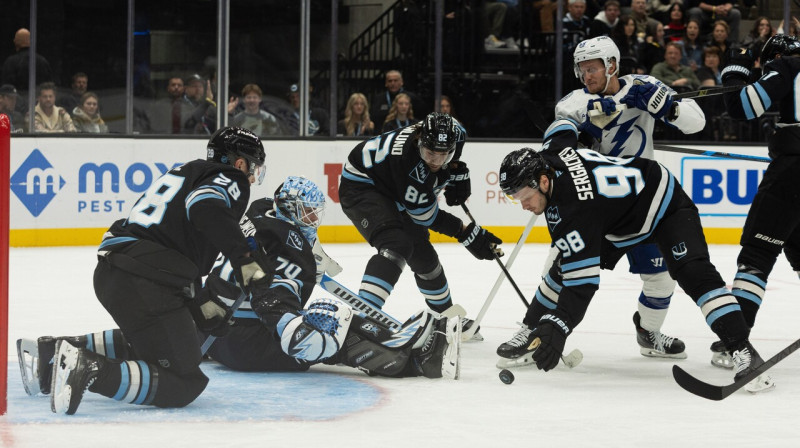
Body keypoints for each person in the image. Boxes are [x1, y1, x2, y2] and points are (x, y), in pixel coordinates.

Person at [494, 130, 766, 390]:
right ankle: (531, 330)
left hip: (664, 204)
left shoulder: (574, 211)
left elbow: (583, 284)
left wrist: (559, 324)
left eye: (525, 198)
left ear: (543, 182)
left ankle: (742, 348)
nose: (525, 206)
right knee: (562, 269)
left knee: (694, 272)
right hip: (618, 218)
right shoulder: (548, 156)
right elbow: (562, 128)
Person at [498, 36, 706, 363]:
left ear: (612, 65)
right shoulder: (574, 102)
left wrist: (668, 105)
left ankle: (648, 333)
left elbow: (697, 122)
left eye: (592, 68)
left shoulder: (645, 86)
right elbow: (555, 147)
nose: (586, 76)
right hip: (589, 205)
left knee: (661, 275)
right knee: (561, 269)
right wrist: (585, 130)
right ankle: (533, 330)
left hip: (639, 203)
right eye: (581, 70)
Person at [46, 127, 268, 415]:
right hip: (144, 280)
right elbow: (204, 206)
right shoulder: (231, 177)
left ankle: (47, 358)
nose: (251, 177)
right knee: (184, 381)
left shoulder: (187, 171)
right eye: (253, 169)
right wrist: (243, 257)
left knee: (162, 344)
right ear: (240, 163)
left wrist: (196, 300)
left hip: (117, 270)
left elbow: (171, 239)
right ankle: (90, 369)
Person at [202, 175, 460, 378]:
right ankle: (417, 361)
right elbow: (272, 298)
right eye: (308, 212)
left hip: (214, 336)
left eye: (316, 212)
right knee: (338, 328)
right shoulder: (287, 247)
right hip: (246, 346)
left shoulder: (261, 211)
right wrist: (296, 328)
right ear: (291, 210)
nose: (313, 220)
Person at [339, 112, 500, 337]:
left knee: (425, 258)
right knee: (396, 244)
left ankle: (445, 316)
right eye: (429, 153)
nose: (434, 160)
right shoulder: (409, 163)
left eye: (442, 155)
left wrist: (454, 170)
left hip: (393, 187)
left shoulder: (456, 133)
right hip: (362, 185)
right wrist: (465, 232)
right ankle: (360, 319)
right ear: (419, 142)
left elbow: (445, 163)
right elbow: (424, 216)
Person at [714, 33, 800, 392]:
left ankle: (738, 337)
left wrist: (737, 68)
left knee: (757, 254)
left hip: (792, 173)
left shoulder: (787, 65)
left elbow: (741, 107)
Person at [1, 28, 53, 93]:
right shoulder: (43, 62)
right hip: (37, 101)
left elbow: (6, 90)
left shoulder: (10, 63)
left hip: (16, 101)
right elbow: (49, 88)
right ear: (31, 41)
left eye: (15, 39)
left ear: (16, 42)